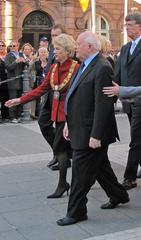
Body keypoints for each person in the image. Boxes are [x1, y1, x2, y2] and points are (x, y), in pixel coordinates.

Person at [56, 31, 129, 226]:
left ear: (89, 47)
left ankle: (76, 212)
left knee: (80, 175)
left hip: (92, 132)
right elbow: (74, 97)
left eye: (78, 44)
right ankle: (119, 195)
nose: (75, 48)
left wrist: (96, 135)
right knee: (101, 168)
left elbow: (103, 105)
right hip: (80, 128)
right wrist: (68, 125)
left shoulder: (102, 67)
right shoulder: (84, 65)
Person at [5, 33, 79, 199]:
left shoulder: (76, 67)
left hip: (72, 115)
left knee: (66, 149)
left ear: (67, 51)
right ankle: (64, 183)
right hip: (57, 115)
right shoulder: (53, 68)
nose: (54, 52)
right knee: (62, 148)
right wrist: (20, 100)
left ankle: (68, 183)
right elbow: (42, 89)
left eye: (58, 49)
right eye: (54, 49)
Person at [113, 11, 141, 188]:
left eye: (129, 24)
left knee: (136, 138)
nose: (126, 28)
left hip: (140, 99)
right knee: (138, 136)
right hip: (127, 102)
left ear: (139, 26)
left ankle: (129, 177)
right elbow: (118, 74)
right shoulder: (124, 48)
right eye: (126, 24)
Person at [38, 24, 67, 171]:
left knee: (61, 129)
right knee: (43, 123)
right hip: (49, 95)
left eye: (57, 35)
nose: (54, 38)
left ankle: (62, 156)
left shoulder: (67, 53)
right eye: (52, 36)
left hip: (61, 97)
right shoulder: (51, 51)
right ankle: (59, 153)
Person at [5, 40, 26, 123]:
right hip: (13, 81)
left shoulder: (21, 54)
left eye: (14, 46)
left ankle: (19, 115)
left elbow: (27, 66)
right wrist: (15, 62)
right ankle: (12, 117)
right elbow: (8, 67)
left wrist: (25, 61)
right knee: (12, 99)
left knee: (20, 99)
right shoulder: (8, 56)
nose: (13, 47)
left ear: (18, 46)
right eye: (11, 46)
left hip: (22, 81)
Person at [0, 40, 9, 122]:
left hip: (6, 81)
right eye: (0, 46)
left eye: (3, 45)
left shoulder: (7, 56)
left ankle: (5, 116)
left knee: (5, 99)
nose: (1, 47)